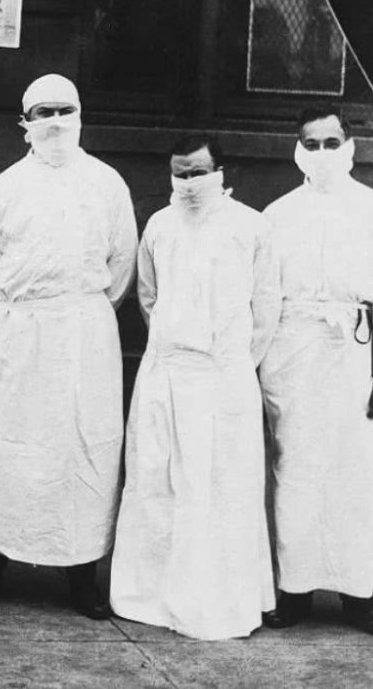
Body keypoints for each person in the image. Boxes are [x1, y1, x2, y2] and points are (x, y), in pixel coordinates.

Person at [0, 73, 137, 618]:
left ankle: (81, 573)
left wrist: (75, 309)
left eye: (65, 110)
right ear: (25, 122)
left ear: (80, 115)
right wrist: (33, 309)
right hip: (21, 333)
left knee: (82, 449)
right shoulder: (6, 186)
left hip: (83, 334)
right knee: (11, 450)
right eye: (44, 112)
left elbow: (122, 265)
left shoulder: (106, 183)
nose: (56, 122)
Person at [110, 135, 281, 640]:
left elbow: (265, 309)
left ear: (221, 172)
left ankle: (221, 600)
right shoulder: (159, 226)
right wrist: (173, 348)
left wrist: (232, 364)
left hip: (224, 377)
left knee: (223, 487)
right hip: (166, 373)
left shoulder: (251, 226)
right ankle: (152, 596)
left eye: (198, 173)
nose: (188, 183)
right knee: (159, 483)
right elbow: (149, 297)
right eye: (180, 174)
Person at [260, 108, 373, 634]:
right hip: (294, 352)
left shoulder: (370, 208)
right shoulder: (277, 216)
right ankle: (296, 588)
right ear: (297, 149)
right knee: (297, 469)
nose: (323, 153)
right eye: (312, 143)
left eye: (332, 142)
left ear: (350, 145)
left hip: (354, 351)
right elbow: (264, 299)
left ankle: (359, 593)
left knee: (356, 472)